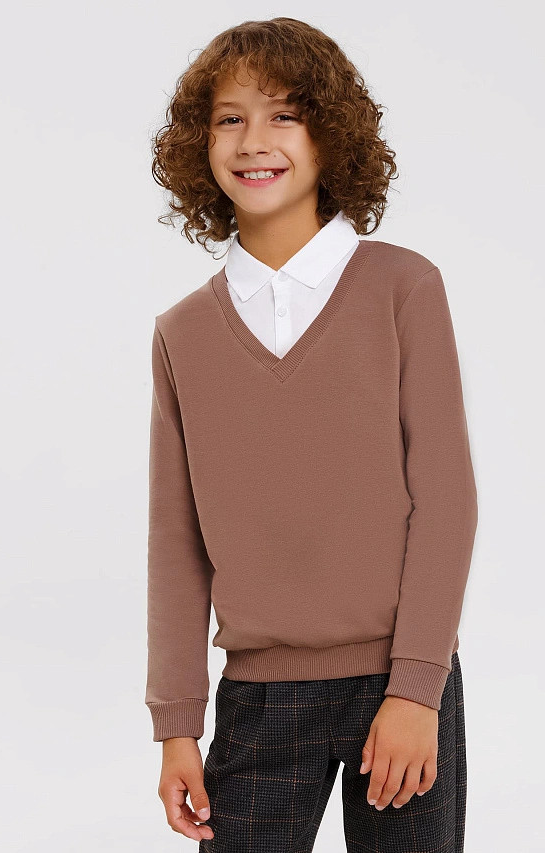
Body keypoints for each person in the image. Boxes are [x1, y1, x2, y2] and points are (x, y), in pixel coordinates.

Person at [145, 16, 478, 852]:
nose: (254, 140)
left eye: (285, 114)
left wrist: (417, 688)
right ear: (200, 143)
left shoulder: (404, 289)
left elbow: (446, 499)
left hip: (399, 683)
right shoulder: (182, 334)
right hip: (257, 701)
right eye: (230, 117)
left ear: (331, 134)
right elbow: (176, 541)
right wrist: (177, 722)